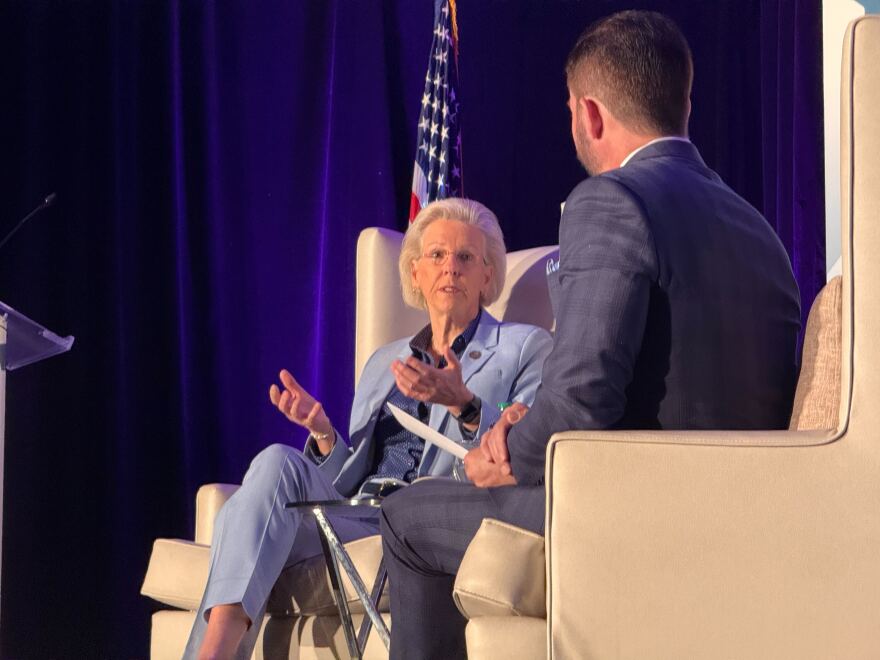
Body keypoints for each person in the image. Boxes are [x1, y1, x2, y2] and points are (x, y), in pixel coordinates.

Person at [379, 10, 802, 659]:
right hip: (744, 521)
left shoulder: (608, 201)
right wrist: (528, 422)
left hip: (629, 514)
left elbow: (582, 400)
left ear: (589, 114)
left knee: (406, 517)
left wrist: (506, 448)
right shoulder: (760, 231)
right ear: (682, 101)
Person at [184, 197, 553, 659]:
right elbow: (345, 481)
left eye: (465, 258)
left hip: (426, 522)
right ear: (415, 272)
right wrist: (322, 433)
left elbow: (525, 449)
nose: (450, 269)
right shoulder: (385, 361)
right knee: (277, 459)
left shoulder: (524, 347)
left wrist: (465, 404)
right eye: (437, 255)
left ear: (487, 276)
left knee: (255, 516)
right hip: (357, 516)